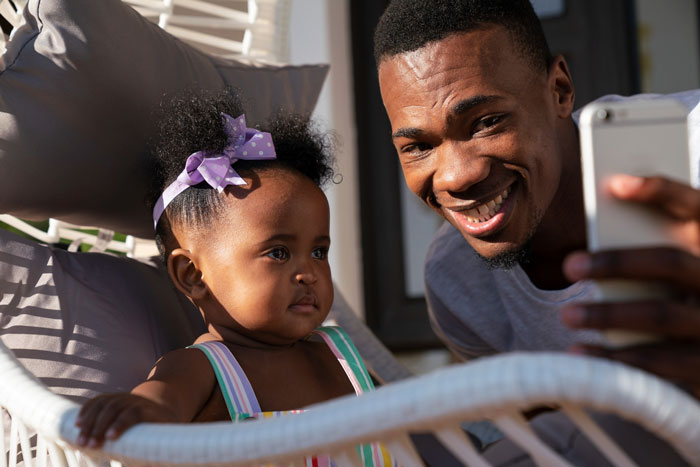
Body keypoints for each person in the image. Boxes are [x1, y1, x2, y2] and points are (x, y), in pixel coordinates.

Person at [374, 0, 699, 462]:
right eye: (418, 146)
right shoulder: (456, 282)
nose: (454, 176)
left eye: (486, 122)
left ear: (560, 91)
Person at [74, 89, 391, 465]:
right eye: (278, 252)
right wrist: (138, 410)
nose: (309, 272)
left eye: (319, 251)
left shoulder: (341, 355)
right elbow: (161, 401)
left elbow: (407, 428)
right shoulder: (202, 368)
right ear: (192, 275)